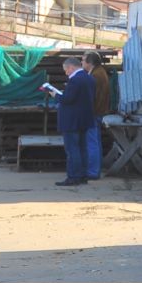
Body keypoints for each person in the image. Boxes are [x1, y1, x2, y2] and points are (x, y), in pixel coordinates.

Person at [50, 55, 100, 187]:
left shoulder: (75, 80)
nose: (66, 73)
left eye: (66, 70)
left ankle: (73, 176)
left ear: (71, 67)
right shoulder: (90, 78)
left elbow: (68, 99)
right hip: (85, 118)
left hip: (72, 120)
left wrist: (56, 95)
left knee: (72, 150)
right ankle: (83, 175)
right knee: (83, 148)